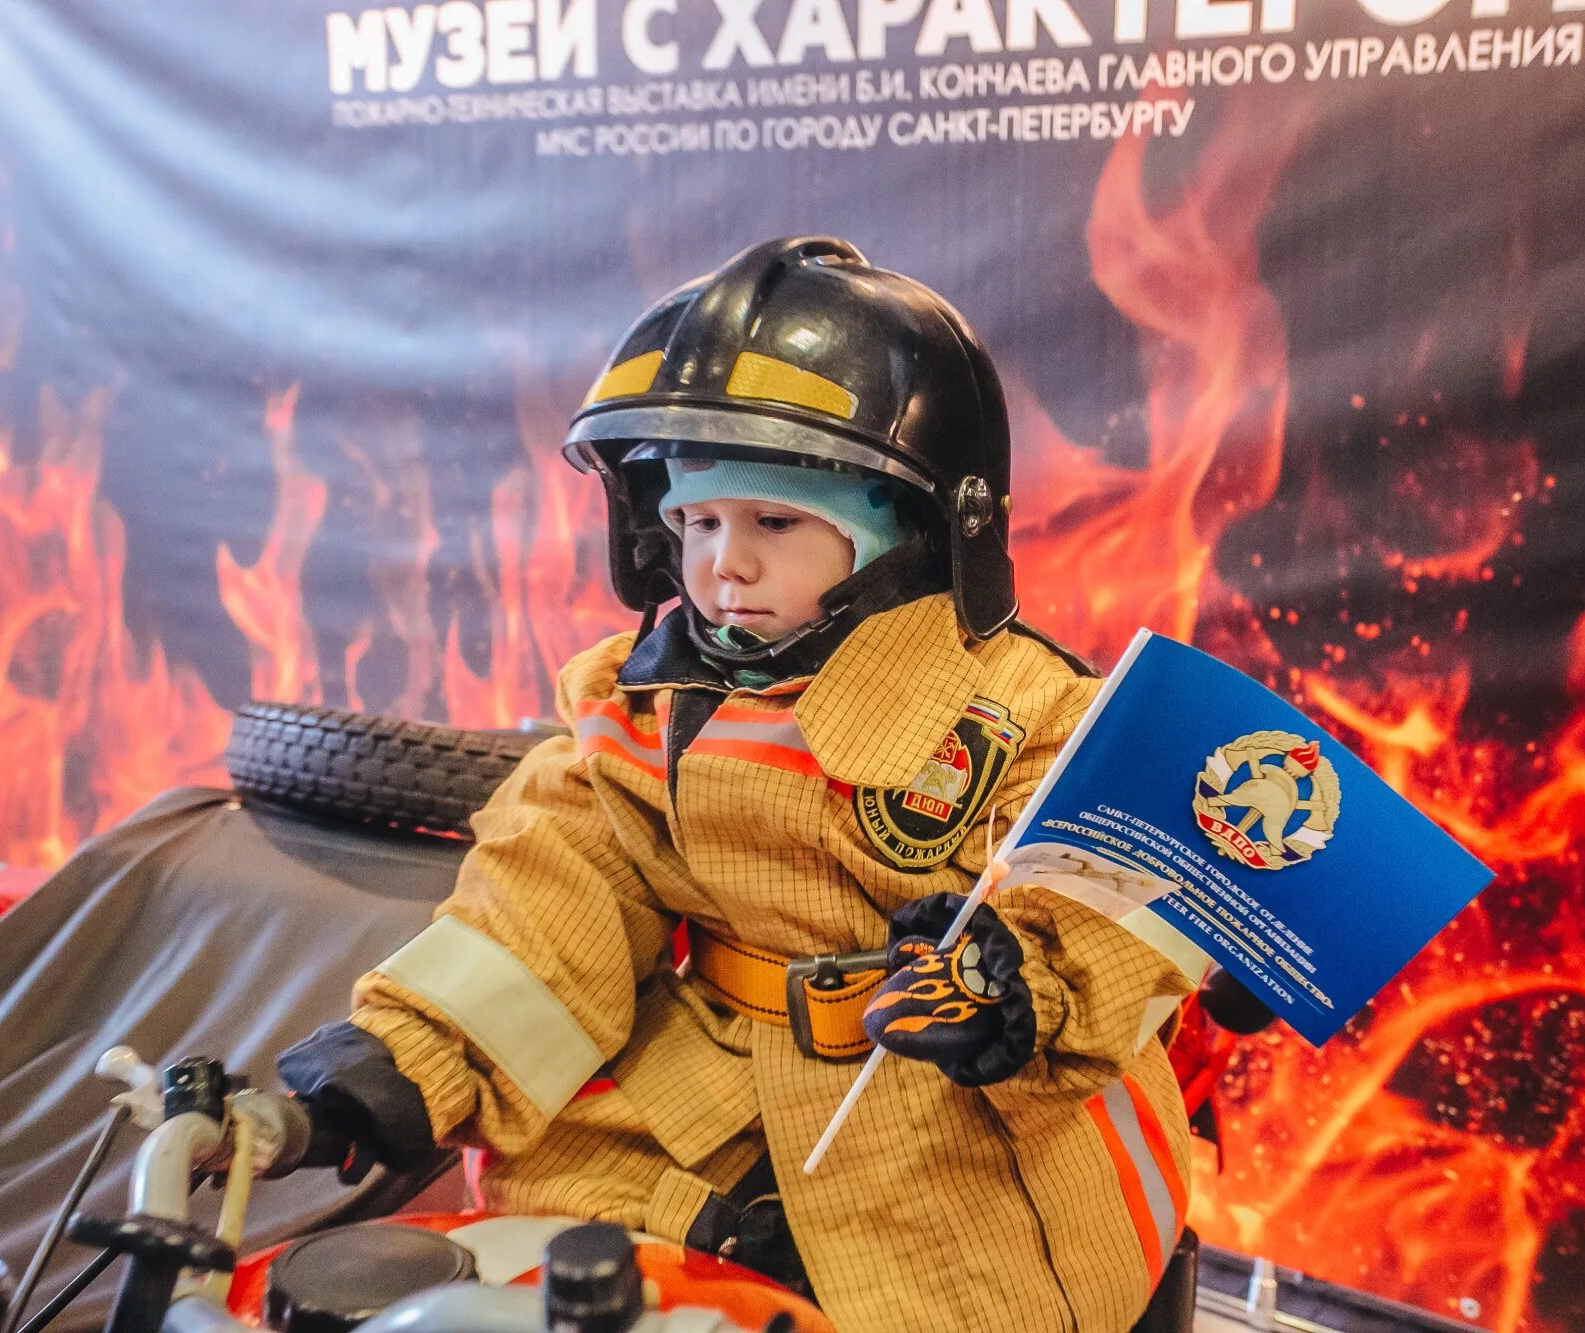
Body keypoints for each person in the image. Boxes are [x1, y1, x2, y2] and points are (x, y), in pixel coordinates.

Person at [280, 236, 1198, 1333]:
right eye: (697, 521)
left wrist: (1017, 993)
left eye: (775, 522)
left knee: (958, 1298)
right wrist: (407, 1058)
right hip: (700, 1071)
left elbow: (1115, 891)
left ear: (909, 528)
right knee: (549, 1245)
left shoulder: (1021, 704)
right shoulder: (634, 710)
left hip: (949, 1099)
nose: (726, 564)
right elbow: (543, 905)